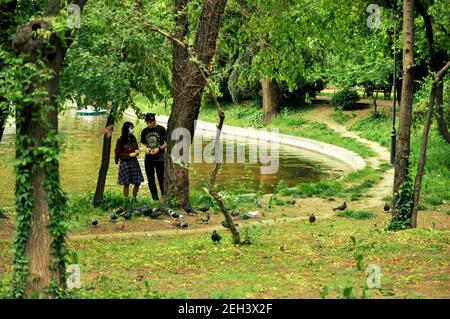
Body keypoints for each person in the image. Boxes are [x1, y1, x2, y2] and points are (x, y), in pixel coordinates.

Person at [141, 113, 167, 201]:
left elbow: (167, 143)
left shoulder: (162, 129)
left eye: (150, 122)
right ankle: (155, 198)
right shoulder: (144, 131)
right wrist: (146, 148)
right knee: (150, 179)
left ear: (154, 121)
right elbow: (142, 143)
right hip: (148, 159)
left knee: (161, 178)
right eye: (147, 122)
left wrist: (159, 149)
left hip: (160, 158)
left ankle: (164, 197)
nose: (149, 124)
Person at [115, 122, 144, 199]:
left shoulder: (133, 138)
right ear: (126, 129)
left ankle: (134, 198)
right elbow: (118, 153)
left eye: (132, 128)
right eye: (131, 128)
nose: (132, 130)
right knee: (126, 183)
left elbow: (136, 148)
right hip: (125, 163)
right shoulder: (120, 140)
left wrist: (137, 151)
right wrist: (129, 155)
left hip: (134, 162)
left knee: (138, 182)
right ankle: (126, 200)